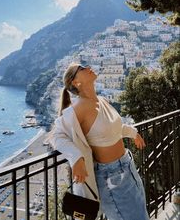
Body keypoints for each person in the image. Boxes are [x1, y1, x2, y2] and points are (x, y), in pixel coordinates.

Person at [48, 63, 149, 220]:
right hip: (111, 176)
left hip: (127, 165)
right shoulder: (78, 108)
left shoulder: (101, 100)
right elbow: (56, 136)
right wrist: (76, 157)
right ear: (75, 82)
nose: (88, 67)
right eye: (81, 68)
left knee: (141, 214)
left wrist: (132, 133)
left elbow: (113, 129)